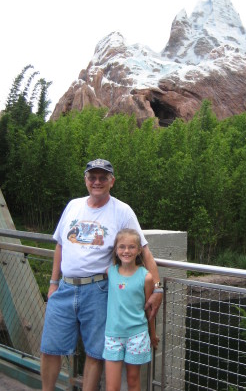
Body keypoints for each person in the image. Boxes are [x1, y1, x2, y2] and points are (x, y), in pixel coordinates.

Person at [40, 159, 163, 391]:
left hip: (98, 290)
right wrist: (53, 283)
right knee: (49, 348)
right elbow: (59, 247)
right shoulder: (73, 206)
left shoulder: (122, 210)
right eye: (92, 177)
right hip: (64, 288)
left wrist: (157, 287)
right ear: (86, 180)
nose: (97, 182)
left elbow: (144, 251)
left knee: (95, 353)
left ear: (111, 181)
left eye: (102, 177)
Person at [103, 228, 159, 391]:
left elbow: (150, 310)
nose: (126, 251)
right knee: (112, 386)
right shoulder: (110, 272)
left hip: (137, 335)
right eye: (122, 247)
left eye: (131, 247)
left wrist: (152, 334)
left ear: (139, 250)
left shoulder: (146, 277)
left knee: (133, 382)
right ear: (115, 249)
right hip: (113, 335)